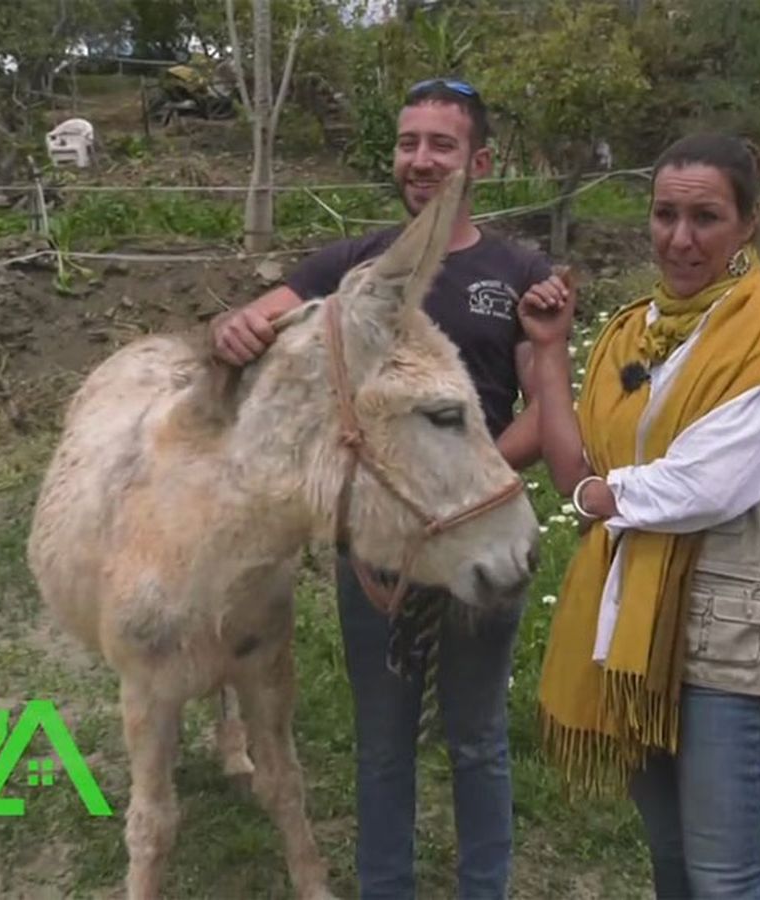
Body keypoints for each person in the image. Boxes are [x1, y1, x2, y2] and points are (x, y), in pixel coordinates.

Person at [212, 78, 556, 899]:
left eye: (442, 144)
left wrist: (452, 495)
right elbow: (260, 326)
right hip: (377, 551)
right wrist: (234, 328)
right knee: (383, 743)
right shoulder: (349, 269)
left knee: (476, 737)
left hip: (474, 532)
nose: (422, 160)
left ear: (481, 160)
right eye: (409, 143)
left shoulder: (519, 272)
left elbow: (546, 415)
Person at [518, 131, 760, 899]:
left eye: (706, 217)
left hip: (725, 636)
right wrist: (552, 351)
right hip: (635, 634)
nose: (681, 238)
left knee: (724, 878)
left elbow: (702, 483)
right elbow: (576, 471)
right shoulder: (637, 334)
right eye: (665, 214)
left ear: (748, 224)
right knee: (672, 864)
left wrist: (601, 498)